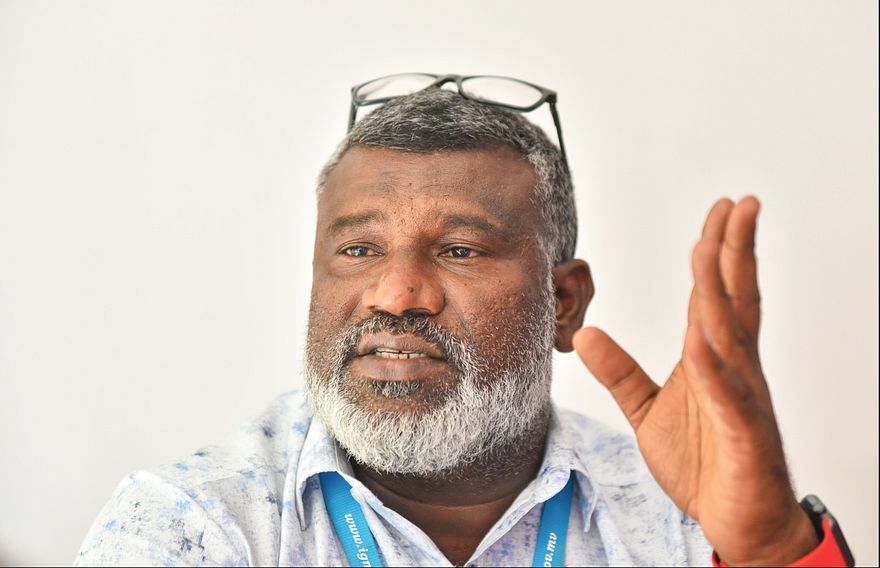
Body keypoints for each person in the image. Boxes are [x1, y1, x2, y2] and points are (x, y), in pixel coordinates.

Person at [75, 74, 854, 567]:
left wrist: (772, 552)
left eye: (458, 249)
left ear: (564, 303)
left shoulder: (680, 516)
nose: (395, 294)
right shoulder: (196, 523)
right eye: (358, 248)